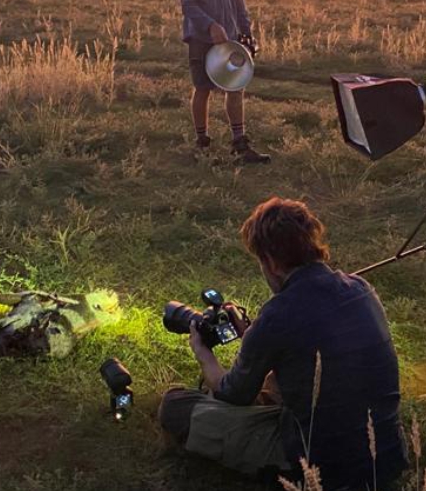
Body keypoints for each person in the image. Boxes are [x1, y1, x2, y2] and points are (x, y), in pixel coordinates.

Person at [159, 198, 408, 489]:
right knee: (272, 390)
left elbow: (233, 394)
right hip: (388, 456)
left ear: (272, 263)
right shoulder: (361, 288)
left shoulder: (278, 315)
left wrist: (204, 355)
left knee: (176, 405)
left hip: (322, 468)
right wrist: (253, 335)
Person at [175, 0, 270, 164]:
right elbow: (187, 3)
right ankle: (202, 144)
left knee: (236, 87)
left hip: (230, 35)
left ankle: (240, 146)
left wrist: (246, 29)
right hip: (201, 37)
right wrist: (209, 25)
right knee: (203, 88)